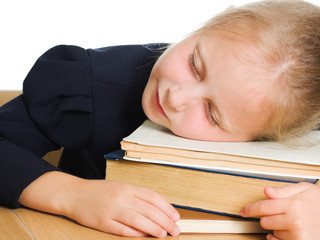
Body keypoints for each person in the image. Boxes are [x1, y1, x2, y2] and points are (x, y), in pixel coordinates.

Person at [1, 0, 320, 239]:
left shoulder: (300, 118)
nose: (176, 96)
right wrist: (74, 194)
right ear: (203, 29)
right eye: (195, 65)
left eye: (211, 114)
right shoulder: (91, 84)